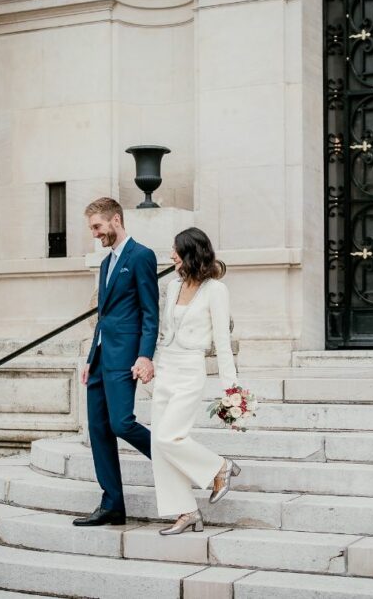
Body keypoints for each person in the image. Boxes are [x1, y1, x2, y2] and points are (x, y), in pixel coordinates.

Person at [148, 227, 241, 535]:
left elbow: (223, 343)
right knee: (159, 445)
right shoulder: (173, 286)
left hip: (190, 370)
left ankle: (219, 467)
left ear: (191, 252)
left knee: (169, 436)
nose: (171, 255)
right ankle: (186, 511)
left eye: (175, 250)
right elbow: (165, 331)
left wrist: (232, 390)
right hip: (167, 368)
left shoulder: (216, 291)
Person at [73, 197, 158, 527]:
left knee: (121, 423)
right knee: (98, 429)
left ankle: (178, 462)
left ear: (116, 220)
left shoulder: (141, 256)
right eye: (92, 228)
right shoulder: (107, 263)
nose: (95, 234)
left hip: (126, 357)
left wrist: (145, 354)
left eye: (97, 226)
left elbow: (151, 312)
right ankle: (112, 504)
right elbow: (103, 316)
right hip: (100, 359)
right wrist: (90, 357)